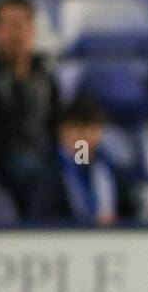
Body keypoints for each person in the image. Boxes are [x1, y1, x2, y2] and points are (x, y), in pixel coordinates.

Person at [0, 0, 61, 217]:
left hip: (42, 153)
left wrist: (79, 150)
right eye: (9, 25)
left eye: (22, 24)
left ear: (33, 29)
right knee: (31, 169)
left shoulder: (44, 72)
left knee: (87, 161)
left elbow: (58, 121)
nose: (17, 33)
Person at [27, 94, 131, 225]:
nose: (86, 137)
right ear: (63, 131)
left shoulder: (108, 168)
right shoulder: (47, 172)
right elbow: (42, 217)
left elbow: (128, 211)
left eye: (93, 129)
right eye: (81, 129)